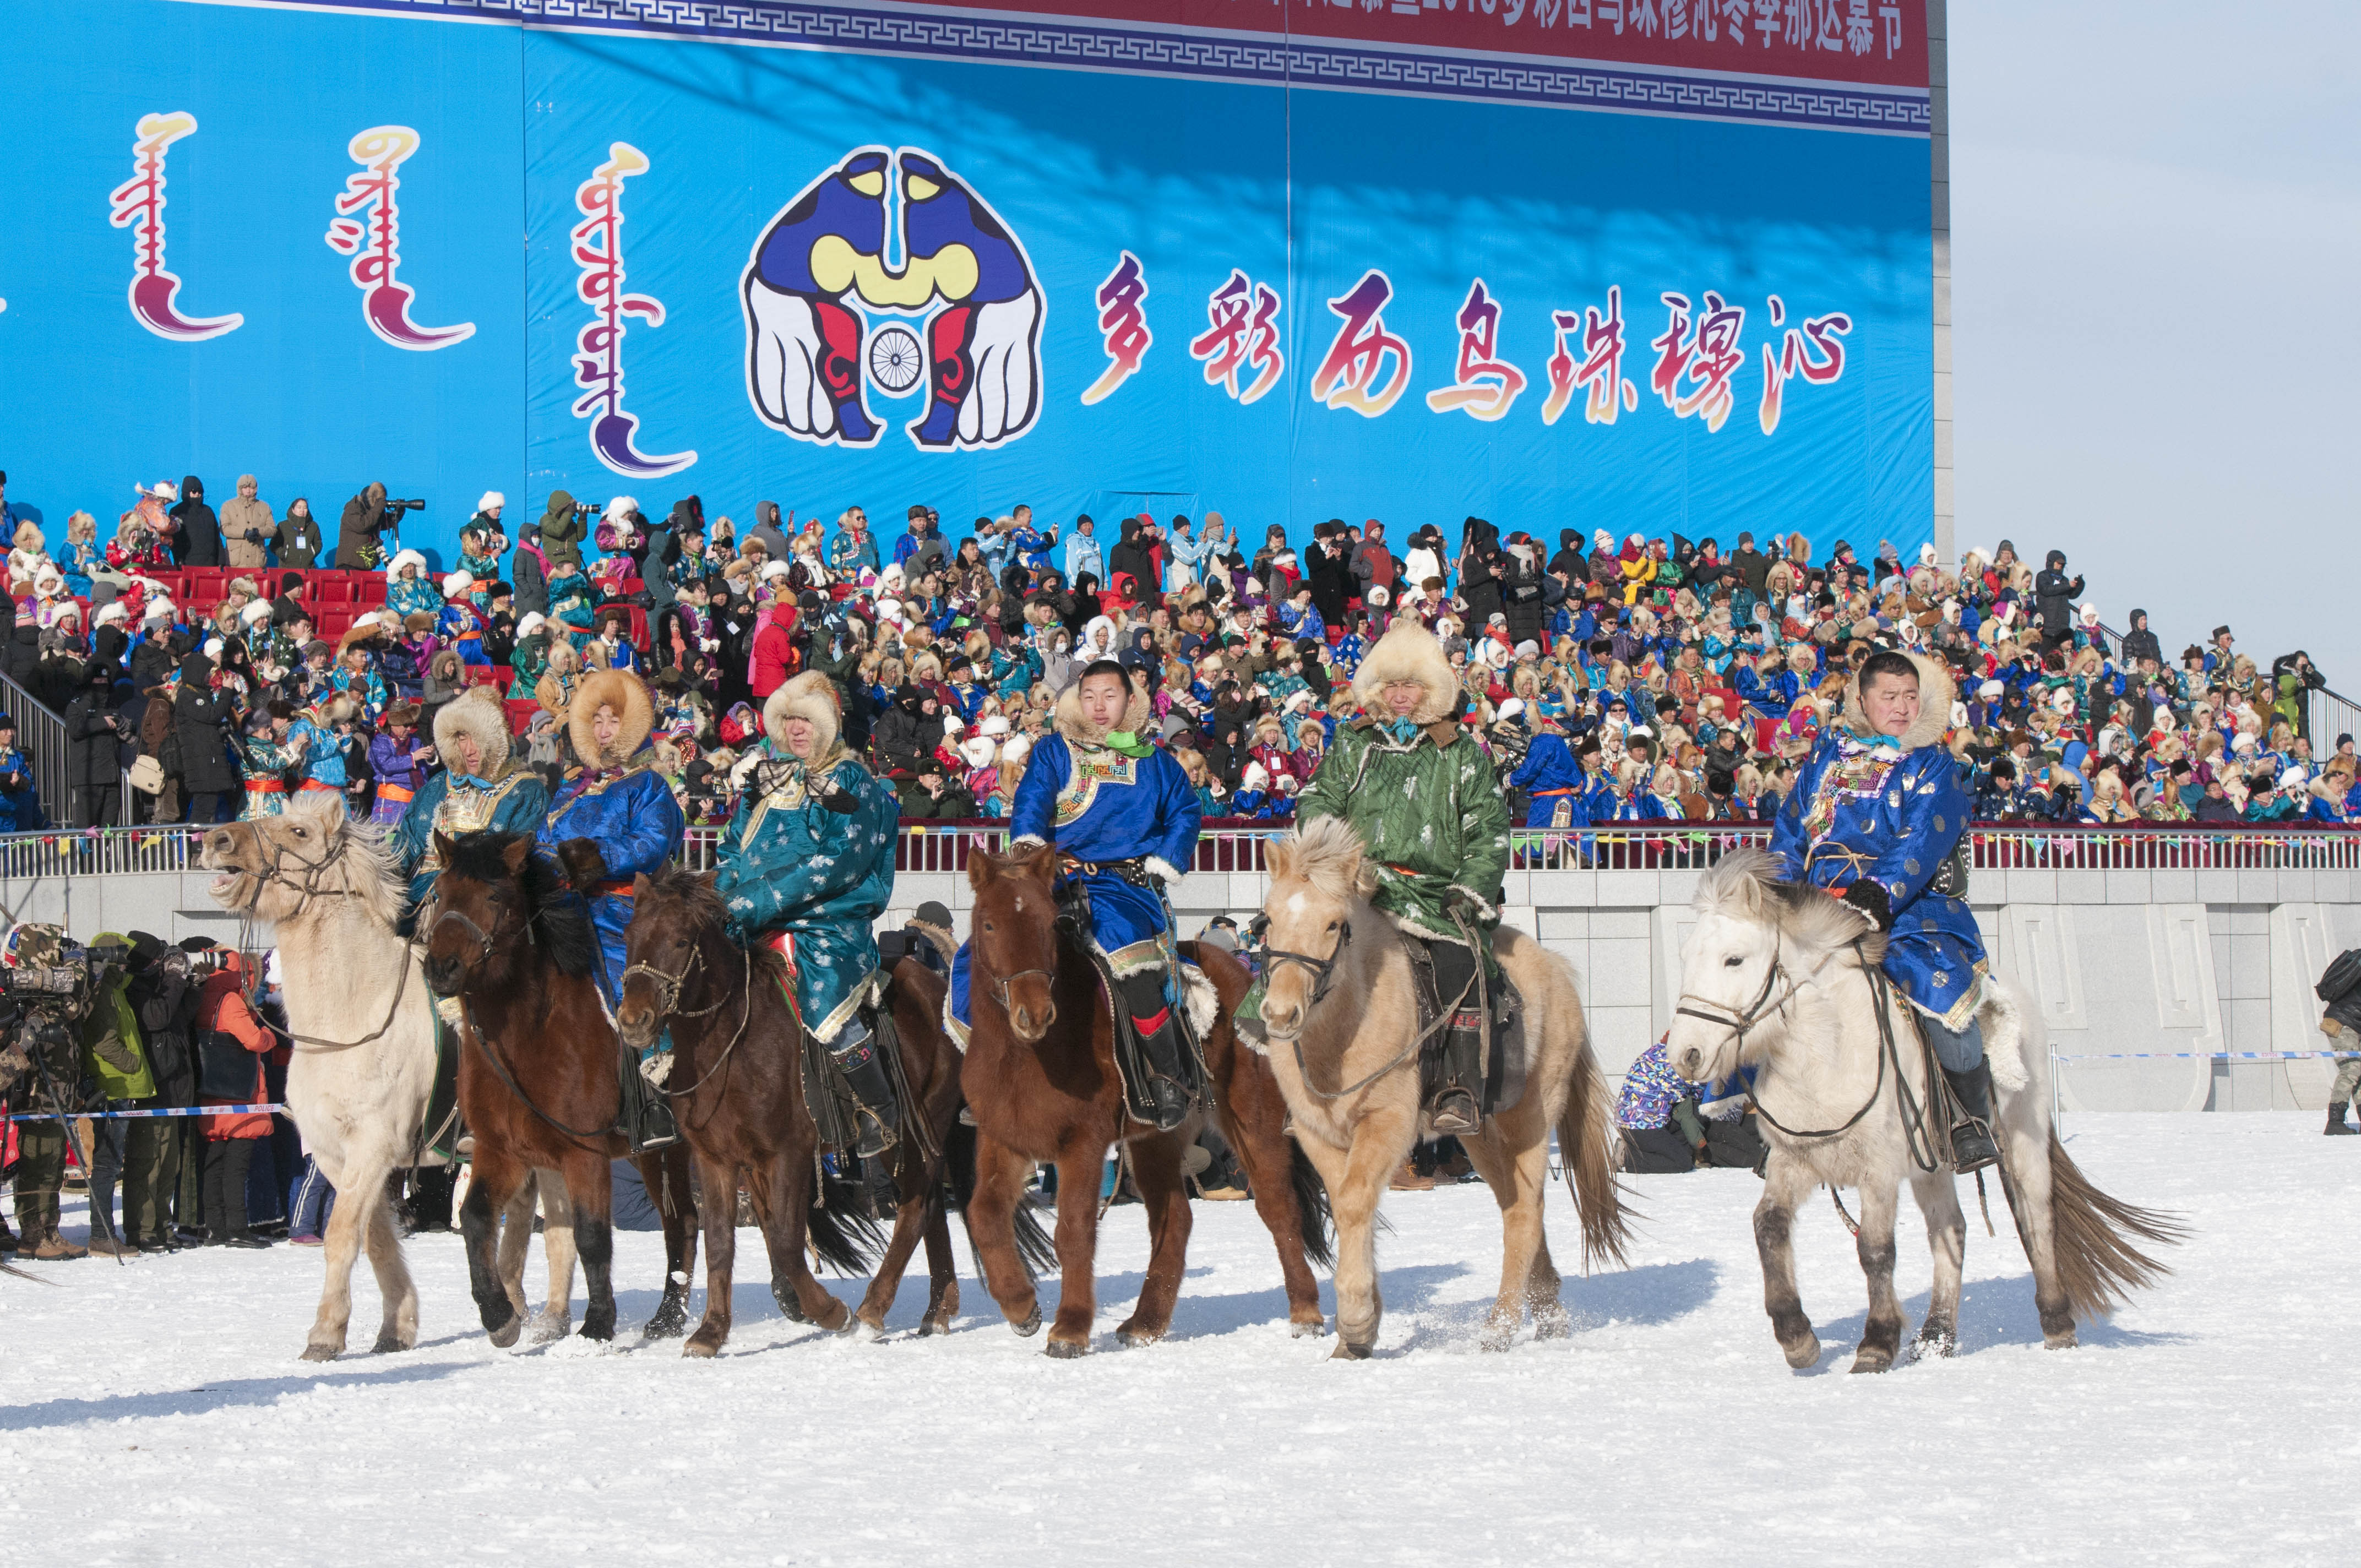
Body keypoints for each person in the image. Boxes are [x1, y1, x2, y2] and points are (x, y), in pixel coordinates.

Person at [1766, 647, 1998, 1172]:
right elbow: (1790, 831)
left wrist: (1877, 894)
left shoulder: (1932, 764)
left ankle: (1968, 1117)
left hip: (1907, 911)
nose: (1901, 707)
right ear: (1863, 701)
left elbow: (1924, 838)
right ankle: (1776, 1122)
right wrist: (1782, 891)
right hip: (1820, 907)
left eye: (1910, 697)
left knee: (1942, 1004)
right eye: (1889, 697)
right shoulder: (1826, 759)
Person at [950, 660, 1203, 1129]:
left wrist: (1166, 858)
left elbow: (1187, 812)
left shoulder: (1157, 762)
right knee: (985, 955)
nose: (1099, 706)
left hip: (1125, 887)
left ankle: (1169, 1076)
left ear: (1130, 699)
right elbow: (1033, 799)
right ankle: (990, 1074)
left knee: (1131, 959)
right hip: (1056, 881)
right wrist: (1027, 845)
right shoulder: (1054, 751)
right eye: (1089, 696)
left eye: (1110, 695)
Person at [1298, 617, 1511, 1135]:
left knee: (1459, 963)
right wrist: (1341, 863)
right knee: (1297, 953)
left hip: (1437, 894)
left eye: (1410, 684)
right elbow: (1317, 802)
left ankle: (1457, 1088)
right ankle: (1299, 1085)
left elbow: (1489, 828)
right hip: (1360, 888)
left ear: (1431, 689)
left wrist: (1468, 887)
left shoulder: (1461, 753)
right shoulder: (1352, 746)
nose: (1399, 695)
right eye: (1391, 684)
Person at [711, 673, 904, 1156]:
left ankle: (881, 1112)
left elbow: (839, 862)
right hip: (746, 917)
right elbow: (731, 848)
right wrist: (720, 897)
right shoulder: (767, 782)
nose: (797, 731)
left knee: (824, 1009)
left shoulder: (851, 780)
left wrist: (753, 899)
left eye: (807, 721)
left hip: (823, 921)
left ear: (829, 725)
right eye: (789, 721)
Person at [539, 669, 685, 1151]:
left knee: (629, 988)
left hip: (622, 907)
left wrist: (595, 860)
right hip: (565, 905)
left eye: (612, 719)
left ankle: (655, 1095)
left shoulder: (648, 786)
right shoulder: (568, 790)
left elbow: (650, 842)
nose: (603, 730)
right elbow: (543, 843)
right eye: (596, 720)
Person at [391, 685, 552, 919]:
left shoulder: (526, 793)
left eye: (477, 738)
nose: (469, 750)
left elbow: (509, 873)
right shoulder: (437, 786)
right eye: (462, 738)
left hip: (474, 913)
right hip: (412, 902)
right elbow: (406, 845)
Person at [220, 474, 276, 570]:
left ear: (256, 489)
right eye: (245, 487)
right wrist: (244, 533)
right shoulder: (228, 506)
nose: (248, 490)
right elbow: (225, 528)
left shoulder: (264, 507)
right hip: (236, 561)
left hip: (257, 561)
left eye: (251, 487)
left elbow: (273, 529)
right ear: (240, 489)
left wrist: (258, 532)